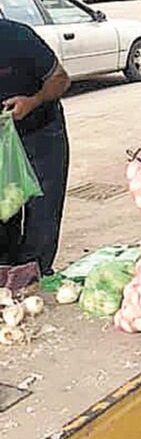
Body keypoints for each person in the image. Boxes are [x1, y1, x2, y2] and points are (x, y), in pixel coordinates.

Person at [0, 19, 71, 276]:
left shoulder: (18, 36)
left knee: (43, 215)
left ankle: (34, 275)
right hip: (2, 144)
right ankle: (6, 277)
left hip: (40, 134)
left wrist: (33, 101)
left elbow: (61, 79)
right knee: (4, 212)